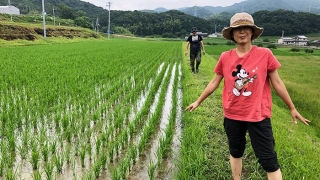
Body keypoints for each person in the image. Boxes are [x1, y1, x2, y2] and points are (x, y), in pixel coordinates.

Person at [185, 12, 310, 180]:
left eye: (246, 28)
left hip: (258, 116)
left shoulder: (265, 54)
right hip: (232, 114)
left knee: (269, 160)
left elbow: (277, 83)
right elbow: (214, 82)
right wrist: (198, 101)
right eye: (237, 29)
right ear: (232, 34)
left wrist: (292, 108)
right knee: (235, 152)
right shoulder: (225, 57)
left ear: (252, 32)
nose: (242, 31)